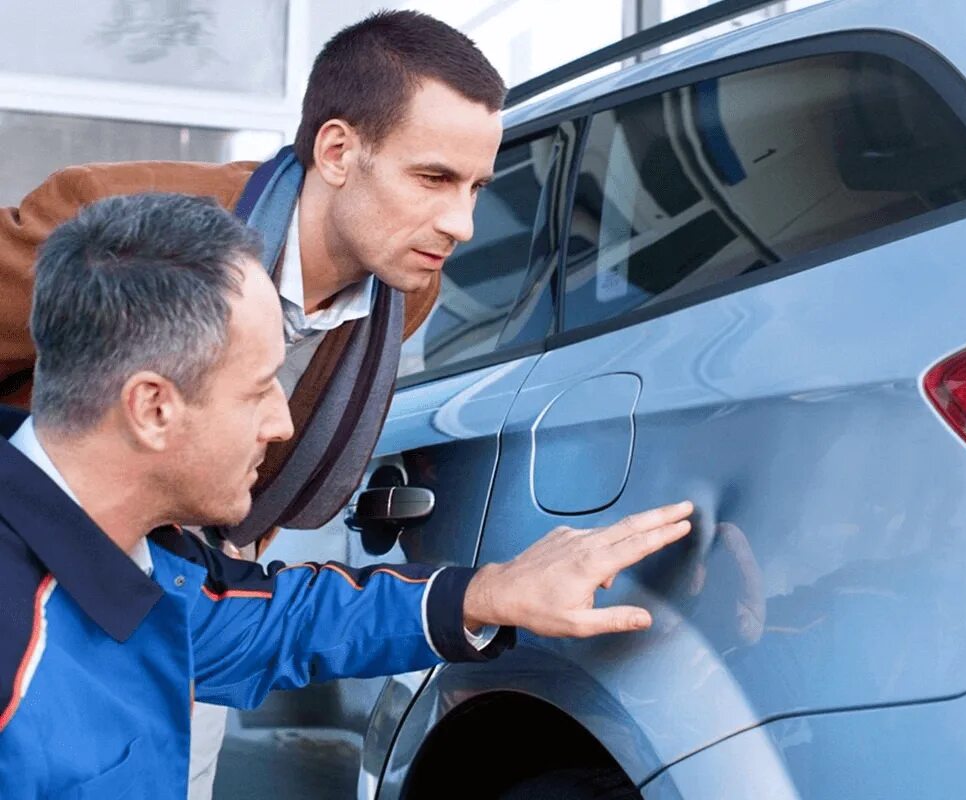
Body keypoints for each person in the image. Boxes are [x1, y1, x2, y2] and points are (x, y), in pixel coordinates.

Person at [0, 192, 694, 798]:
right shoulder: (16, 660)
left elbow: (276, 621)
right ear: (153, 408)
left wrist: (487, 593)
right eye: (256, 388)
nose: (283, 421)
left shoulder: (139, 561)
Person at [0, 11, 526, 794]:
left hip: (184, 584)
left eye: (477, 186)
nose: (462, 222)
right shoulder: (132, 233)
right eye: (434, 178)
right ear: (339, 151)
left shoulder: (405, 287)